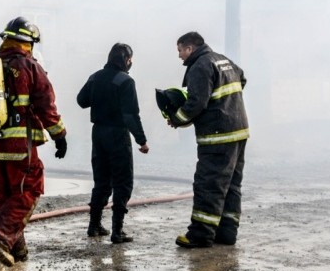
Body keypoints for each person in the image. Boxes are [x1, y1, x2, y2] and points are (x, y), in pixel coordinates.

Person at [0, 16, 67, 267]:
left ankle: (16, 250)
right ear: (28, 42)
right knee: (30, 189)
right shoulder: (30, 66)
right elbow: (46, 105)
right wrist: (60, 135)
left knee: (8, 195)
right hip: (21, 145)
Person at [167, 31, 249, 248]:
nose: (179, 56)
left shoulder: (200, 66)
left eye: (180, 51)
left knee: (209, 183)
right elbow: (242, 79)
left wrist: (176, 119)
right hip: (239, 132)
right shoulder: (223, 60)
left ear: (189, 48)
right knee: (231, 185)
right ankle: (226, 233)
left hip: (218, 136)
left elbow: (196, 103)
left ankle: (200, 235)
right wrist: (227, 103)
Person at [76, 43, 149, 243]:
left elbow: (81, 101)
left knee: (101, 181)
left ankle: (94, 226)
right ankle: (117, 231)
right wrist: (141, 140)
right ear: (126, 60)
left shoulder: (95, 77)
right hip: (118, 134)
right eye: (130, 59)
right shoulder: (126, 81)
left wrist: (100, 96)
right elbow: (131, 115)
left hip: (98, 134)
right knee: (122, 182)